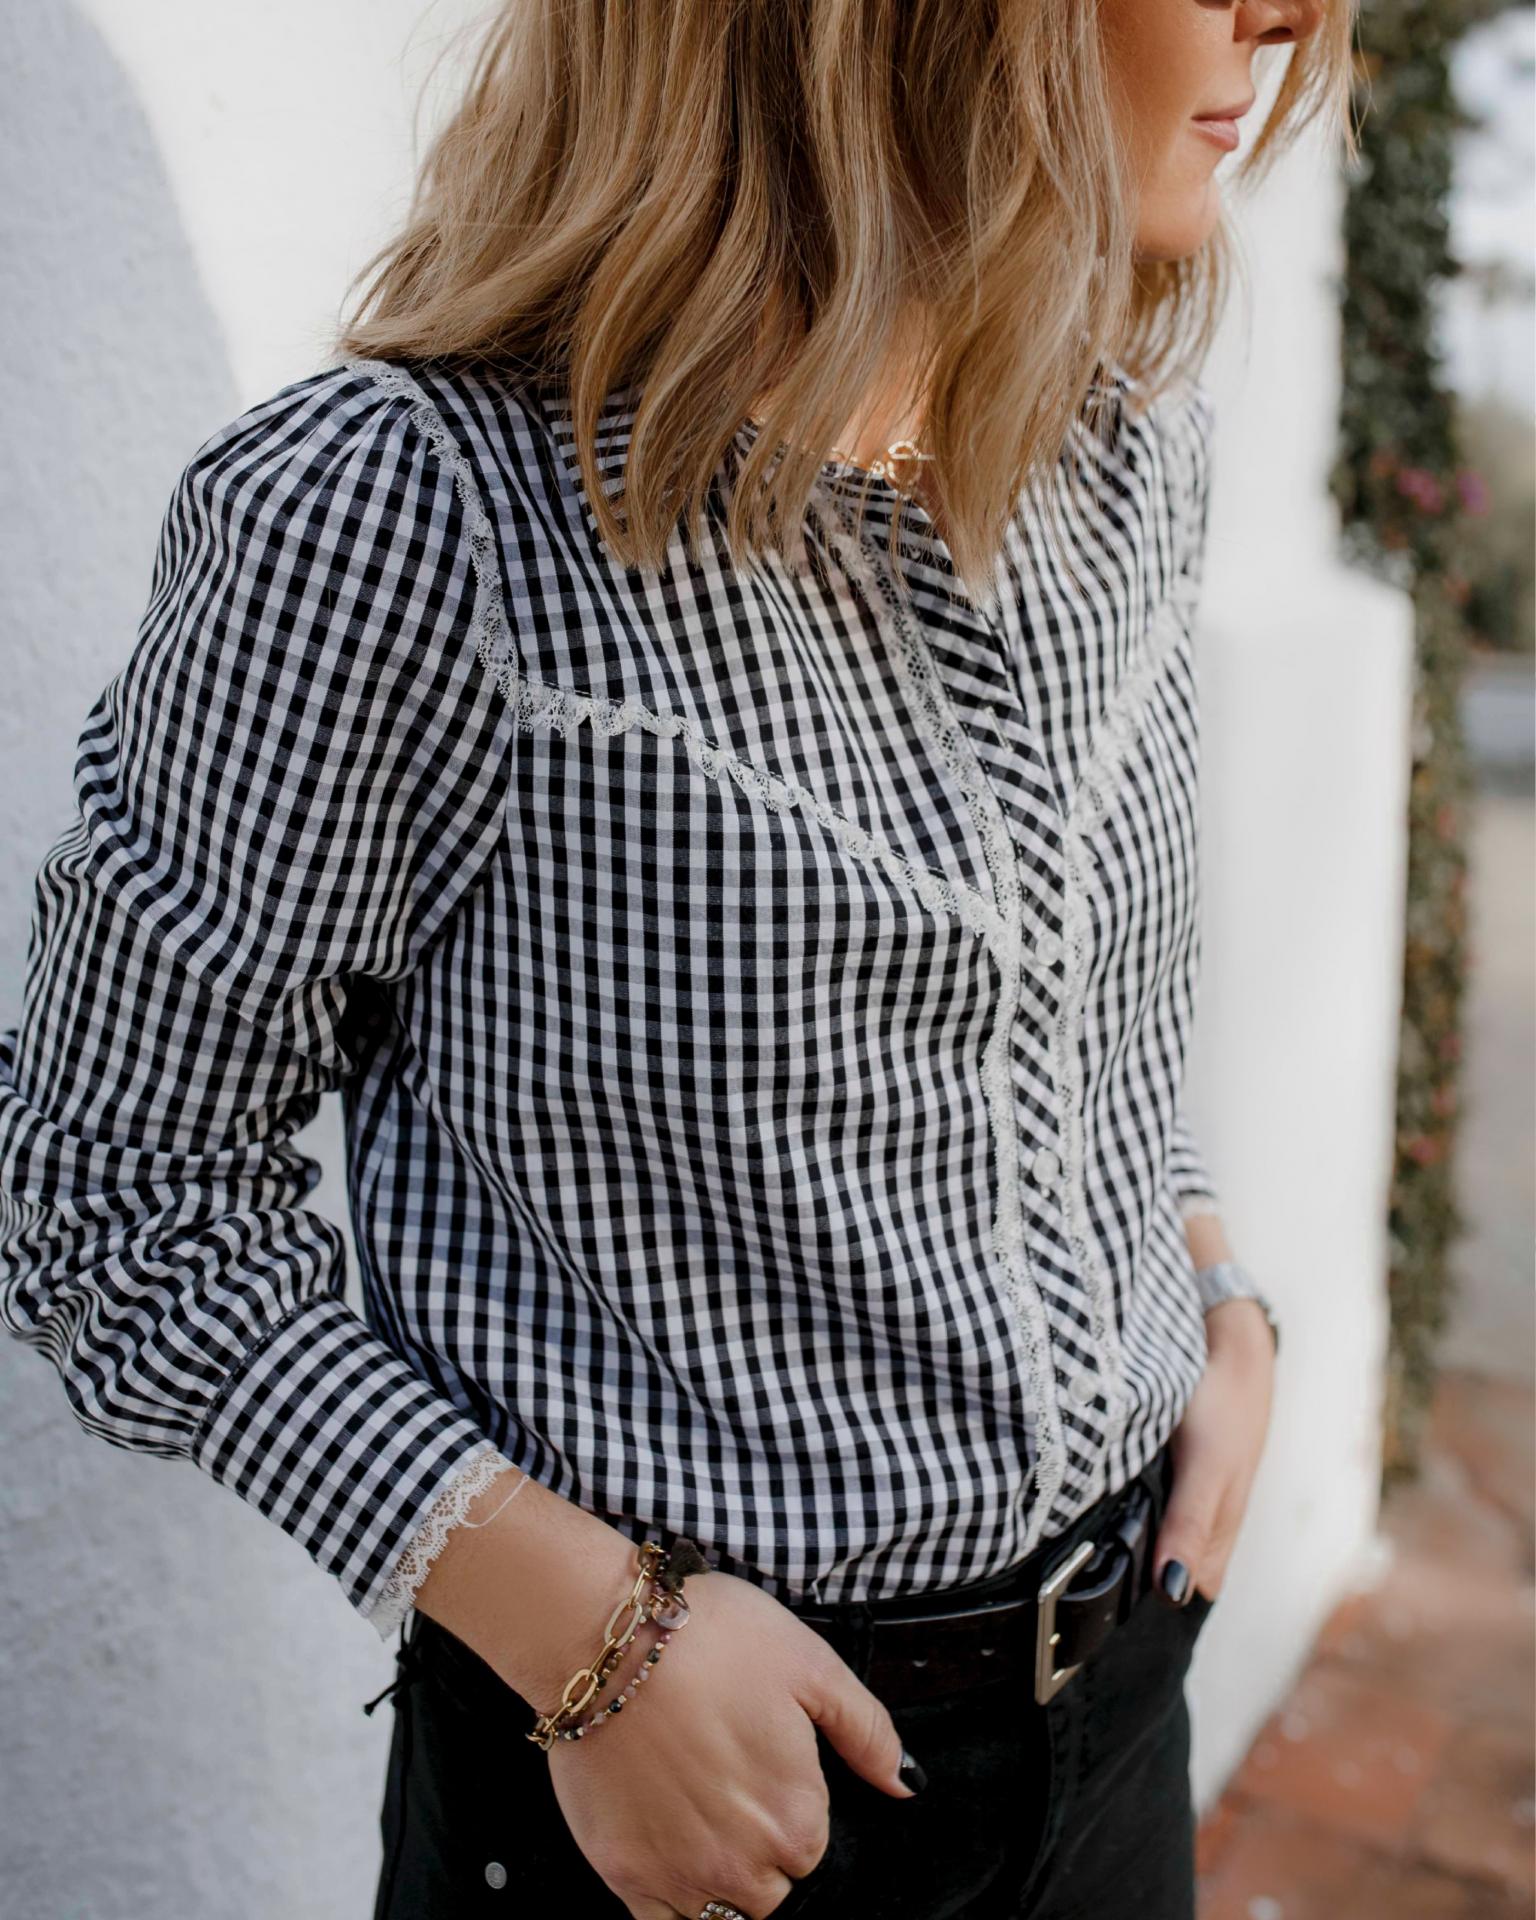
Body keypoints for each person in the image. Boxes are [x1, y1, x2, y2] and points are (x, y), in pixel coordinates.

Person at [0, 0, 1348, 1915]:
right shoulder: (407, 518)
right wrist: (588, 1637)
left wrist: (1210, 1281)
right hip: (688, 1799)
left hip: (1124, 1704)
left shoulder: (1123, 455)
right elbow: (107, 1187)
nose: (1289, 16)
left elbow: (1054, 1007)